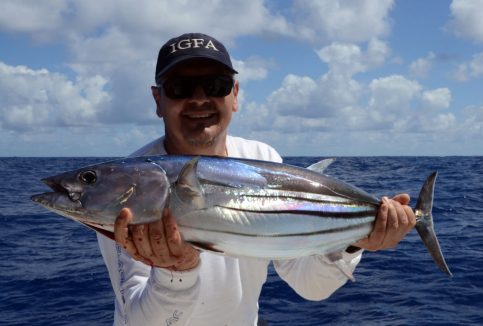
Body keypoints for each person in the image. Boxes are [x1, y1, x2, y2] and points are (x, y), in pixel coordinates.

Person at [97, 32, 416, 326]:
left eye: (216, 85)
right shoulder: (132, 185)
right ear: (158, 100)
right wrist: (174, 274)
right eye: (180, 87)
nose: (199, 98)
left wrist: (349, 243)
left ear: (234, 95)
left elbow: (310, 286)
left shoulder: (263, 157)